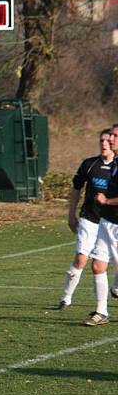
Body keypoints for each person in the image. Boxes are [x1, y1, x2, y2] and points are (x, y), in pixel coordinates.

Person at [57, 129, 114, 311]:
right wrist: (71, 215)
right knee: (82, 259)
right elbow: (76, 190)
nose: (104, 144)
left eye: (108, 140)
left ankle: (112, 292)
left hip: (111, 222)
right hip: (89, 219)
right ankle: (66, 298)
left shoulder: (115, 168)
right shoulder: (89, 164)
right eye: (101, 140)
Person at [84, 124, 118, 326]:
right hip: (106, 222)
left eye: (115, 136)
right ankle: (101, 311)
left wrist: (106, 201)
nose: (111, 139)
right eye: (111, 136)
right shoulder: (114, 163)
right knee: (97, 266)